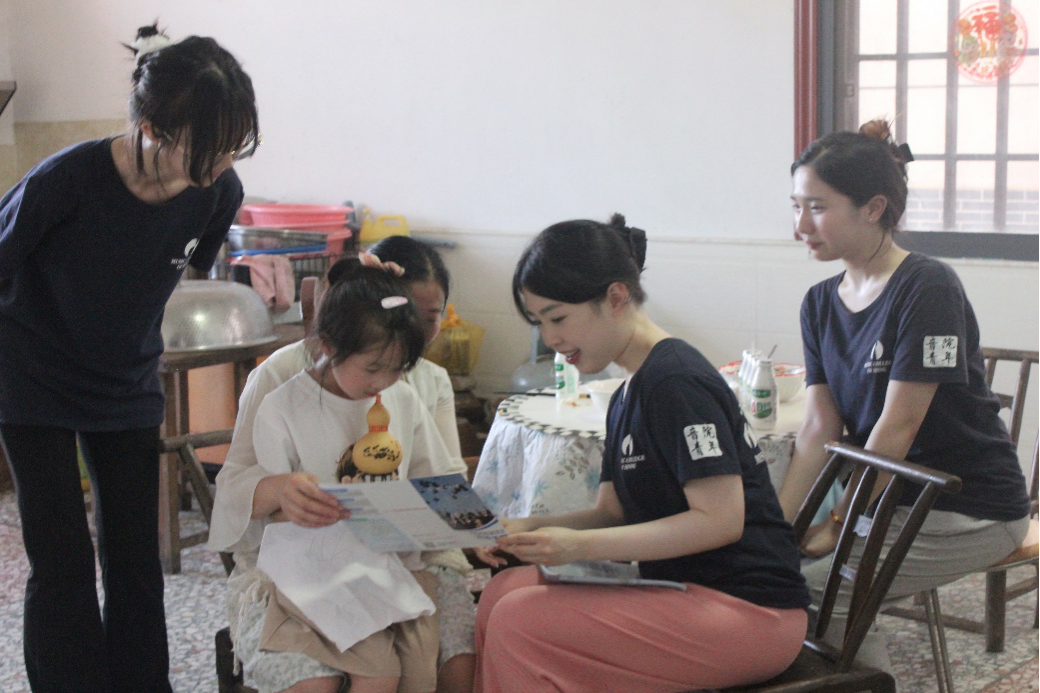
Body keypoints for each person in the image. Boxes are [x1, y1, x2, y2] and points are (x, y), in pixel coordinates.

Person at [0, 23, 259, 692]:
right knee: (62, 556)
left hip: (124, 380)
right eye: (206, 151)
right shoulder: (66, 180)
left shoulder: (218, 192)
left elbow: (180, 273)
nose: (218, 168)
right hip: (30, 378)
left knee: (135, 556)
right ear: (150, 129)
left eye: (231, 149)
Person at [473, 215, 810, 693]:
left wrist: (576, 547)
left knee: (520, 620)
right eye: (540, 323)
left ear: (615, 297)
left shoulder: (676, 381)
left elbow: (721, 521)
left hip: (750, 608)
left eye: (558, 318)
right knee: (504, 592)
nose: (550, 340)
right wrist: (524, 528)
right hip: (685, 592)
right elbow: (611, 513)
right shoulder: (629, 391)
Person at [778, 120, 1032, 673]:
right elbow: (819, 429)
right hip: (891, 502)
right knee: (779, 574)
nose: (801, 225)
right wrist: (777, 529)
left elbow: (899, 426)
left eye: (817, 208)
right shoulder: (819, 303)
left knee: (814, 590)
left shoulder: (927, 287)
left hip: (969, 507)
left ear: (874, 208)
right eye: (796, 206)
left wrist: (838, 523)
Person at [210, 256, 470, 693]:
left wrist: (473, 526)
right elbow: (241, 500)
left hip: (381, 565)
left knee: (410, 670)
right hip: (307, 569)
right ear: (329, 346)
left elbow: (440, 482)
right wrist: (282, 492)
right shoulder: (283, 402)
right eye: (373, 369)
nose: (384, 382)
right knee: (368, 674)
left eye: (398, 369)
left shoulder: (402, 398)